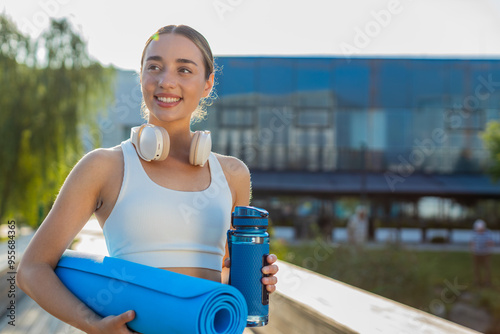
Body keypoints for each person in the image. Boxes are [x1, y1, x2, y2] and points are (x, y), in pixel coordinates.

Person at [17, 25, 279, 334]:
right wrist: (93, 324)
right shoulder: (104, 167)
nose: (166, 81)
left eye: (184, 70)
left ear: (207, 84)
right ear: (141, 76)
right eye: (154, 67)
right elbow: (32, 268)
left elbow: (224, 271)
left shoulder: (233, 174)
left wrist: (257, 278)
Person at [470, 219, 494, 287]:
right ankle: (477, 281)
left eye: (481, 229)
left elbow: (491, 243)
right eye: (478, 229)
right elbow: (472, 243)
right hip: (476, 253)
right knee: (476, 268)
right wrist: (473, 250)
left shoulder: (488, 233)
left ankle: (487, 282)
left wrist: (489, 245)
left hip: (485, 253)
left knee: (487, 268)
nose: (480, 230)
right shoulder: (474, 233)